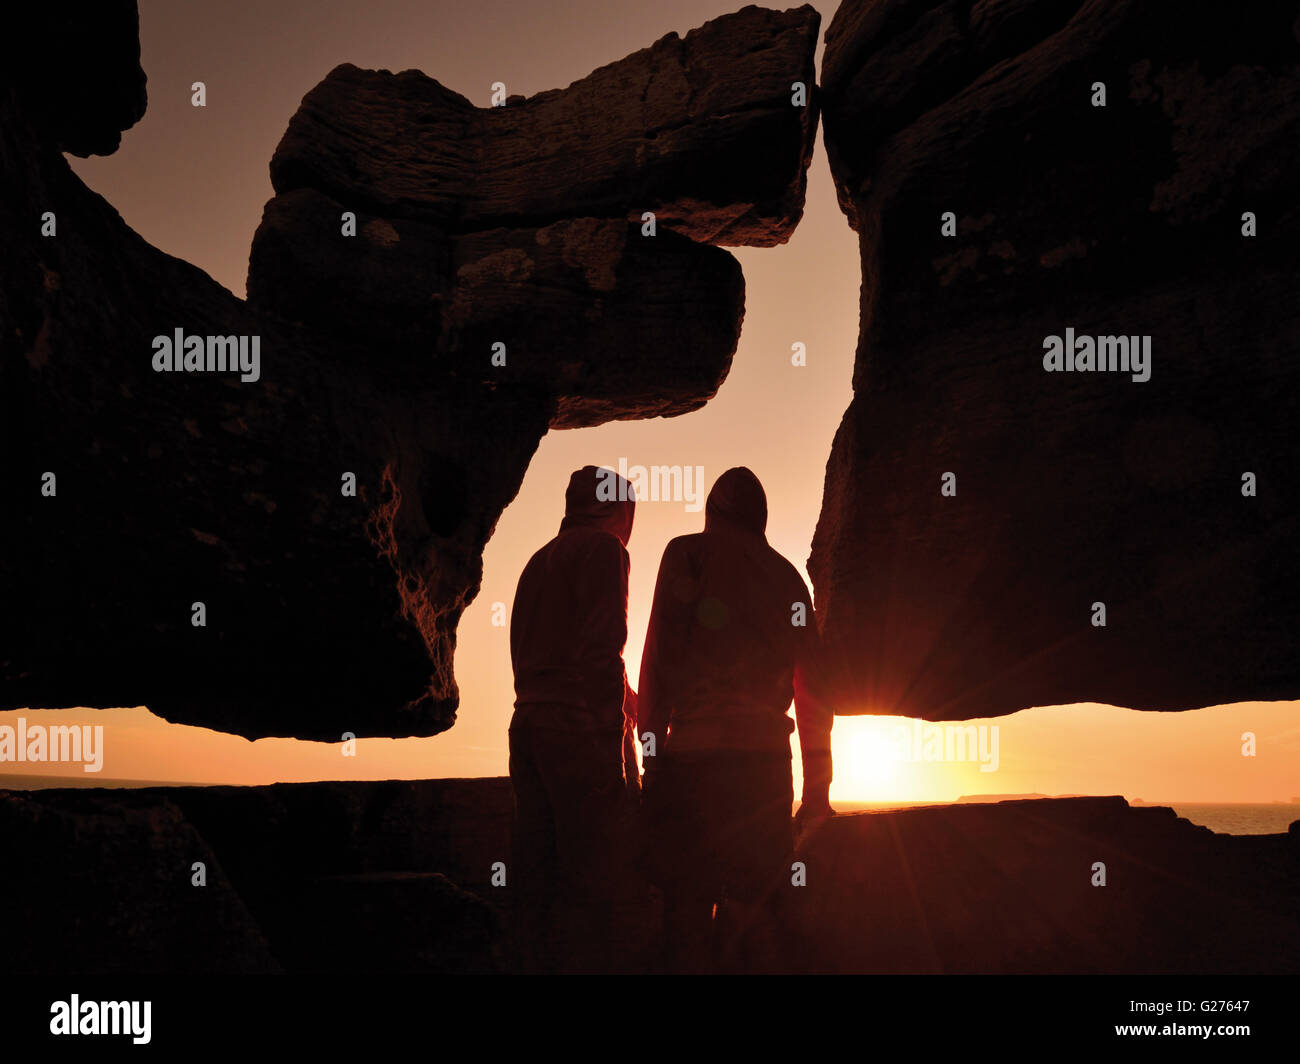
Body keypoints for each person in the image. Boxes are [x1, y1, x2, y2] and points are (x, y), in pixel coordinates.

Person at [638, 466, 833, 971]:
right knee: (754, 909)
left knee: (686, 906)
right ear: (760, 518)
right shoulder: (787, 577)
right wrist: (816, 793)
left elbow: (658, 663)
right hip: (764, 764)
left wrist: (652, 760)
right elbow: (813, 691)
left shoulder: (687, 555)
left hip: (691, 761)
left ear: (712, 512)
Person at [507, 465, 640, 972]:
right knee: (594, 879)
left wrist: (632, 698)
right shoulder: (605, 551)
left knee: (534, 877)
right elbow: (602, 650)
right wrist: (614, 741)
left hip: (528, 727)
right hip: (577, 733)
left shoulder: (536, 562)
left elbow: (547, 654)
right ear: (616, 509)